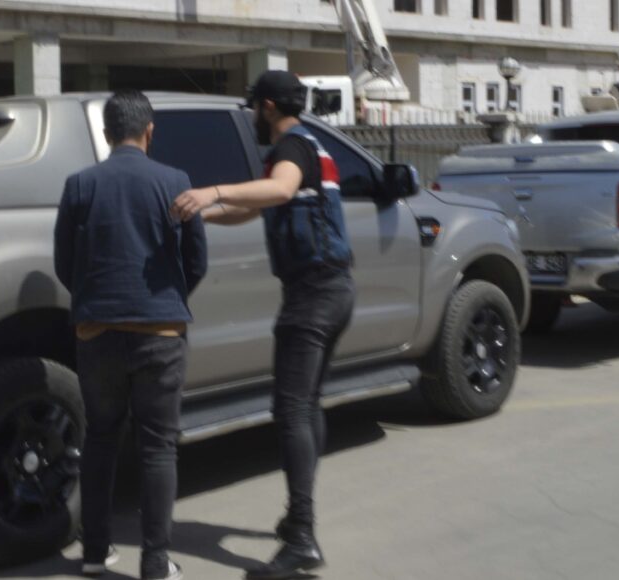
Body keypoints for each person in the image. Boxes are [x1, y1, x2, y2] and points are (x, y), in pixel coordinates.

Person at [170, 70, 355, 580]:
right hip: (336, 290)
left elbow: (279, 190)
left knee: (290, 410)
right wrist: (206, 212)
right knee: (307, 405)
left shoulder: (291, 150)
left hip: (313, 297)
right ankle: (299, 518)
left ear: (268, 106)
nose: (252, 116)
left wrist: (210, 189)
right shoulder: (313, 145)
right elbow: (258, 206)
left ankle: (301, 536)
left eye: (255, 107)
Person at [54, 90, 208, 580]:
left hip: (97, 333)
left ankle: (95, 555)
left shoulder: (80, 185)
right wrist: (166, 297)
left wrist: (94, 300)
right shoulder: (176, 183)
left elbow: (64, 263)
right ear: (150, 131)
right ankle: (156, 564)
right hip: (160, 332)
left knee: (100, 438)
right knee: (158, 446)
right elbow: (196, 261)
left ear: (105, 134)